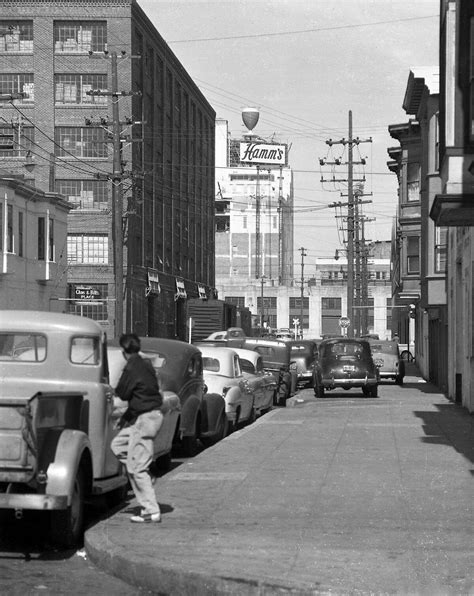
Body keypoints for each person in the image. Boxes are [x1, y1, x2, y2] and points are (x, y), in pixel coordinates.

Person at [111, 333, 163, 523]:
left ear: (124, 351)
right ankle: (146, 473)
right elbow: (140, 399)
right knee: (118, 445)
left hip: (145, 421)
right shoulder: (146, 364)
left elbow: (123, 393)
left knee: (136, 468)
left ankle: (151, 511)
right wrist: (125, 419)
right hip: (147, 416)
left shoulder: (132, 366)